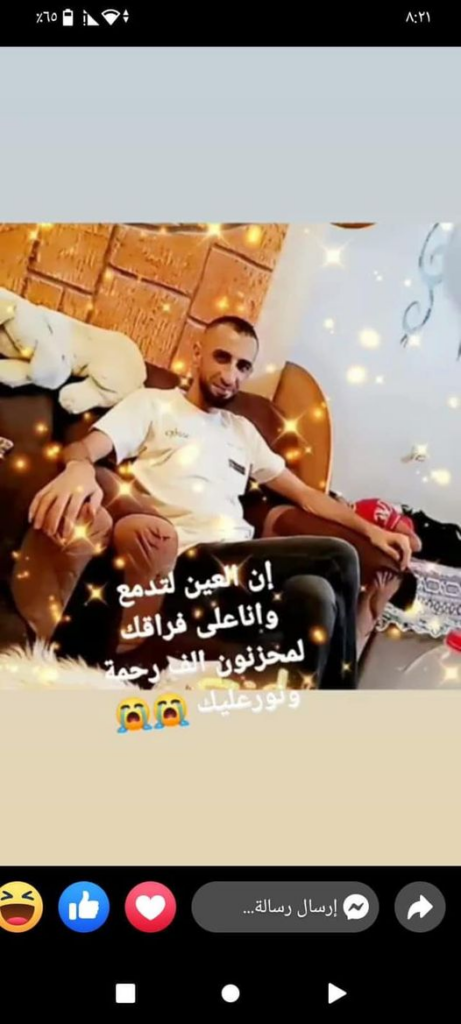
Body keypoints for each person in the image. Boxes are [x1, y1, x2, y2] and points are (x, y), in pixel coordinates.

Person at [12, 317, 412, 688]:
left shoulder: (243, 431)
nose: (230, 375)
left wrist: (372, 530)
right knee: (339, 556)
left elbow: (306, 495)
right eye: (222, 357)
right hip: (189, 563)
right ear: (197, 353)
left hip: (241, 572)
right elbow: (83, 448)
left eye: (243, 366)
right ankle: (342, 708)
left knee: (315, 593)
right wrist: (78, 470)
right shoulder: (153, 404)